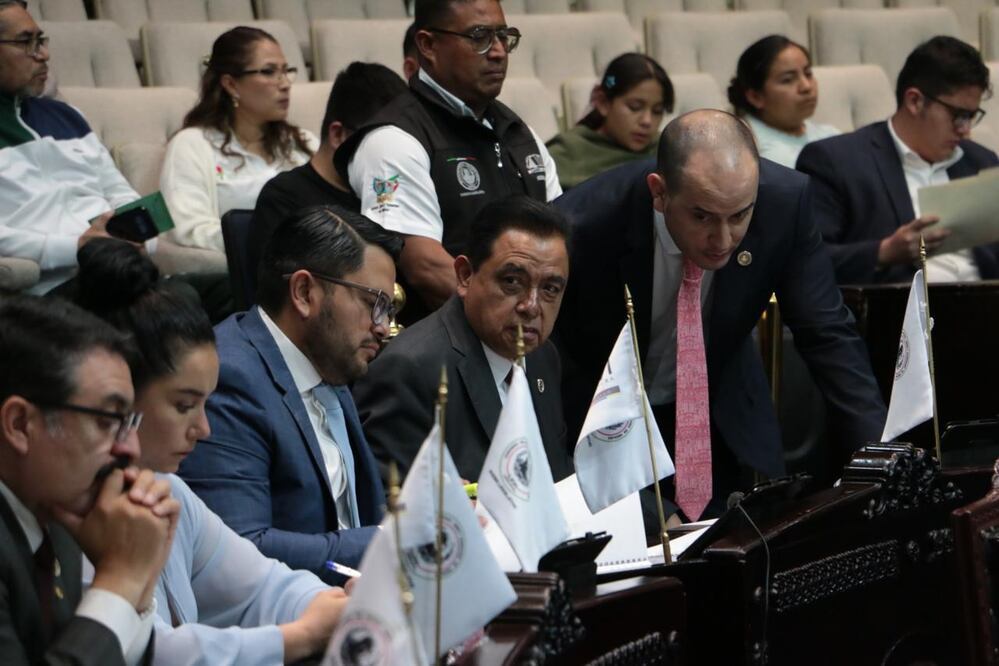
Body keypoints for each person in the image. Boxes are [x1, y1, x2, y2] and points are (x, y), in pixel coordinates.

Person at [554, 110, 886, 525]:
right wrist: (642, 508)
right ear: (659, 193)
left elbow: (828, 333)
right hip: (606, 423)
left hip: (721, 414)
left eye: (740, 215)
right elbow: (555, 368)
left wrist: (880, 456)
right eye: (702, 217)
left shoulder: (786, 201)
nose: (723, 240)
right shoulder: (582, 226)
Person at [73, 239, 348, 665]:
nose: (204, 428)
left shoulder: (170, 489)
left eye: (205, 403)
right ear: (119, 399)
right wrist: (302, 634)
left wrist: (328, 604)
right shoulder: (71, 514)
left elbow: (263, 585)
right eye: (184, 406)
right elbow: (149, 651)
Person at [179, 205, 402, 579]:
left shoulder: (329, 359)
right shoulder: (230, 376)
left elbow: (351, 511)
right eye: (373, 304)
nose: (384, 327)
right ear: (303, 292)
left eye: (389, 309)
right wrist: (390, 541)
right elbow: (240, 550)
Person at [336, 0, 562, 317]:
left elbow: (560, 244)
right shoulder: (393, 139)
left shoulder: (521, 135)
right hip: (441, 350)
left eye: (503, 36)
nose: (498, 52)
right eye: (480, 36)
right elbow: (425, 268)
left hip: (529, 335)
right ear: (428, 45)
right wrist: (518, 322)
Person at [0, 294, 178, 665]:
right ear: (20, 424)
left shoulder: (60, 521)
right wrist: (121, 580)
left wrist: (139, 588)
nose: (130, 448)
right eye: (107, 420)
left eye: (130, 421)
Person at [352, 195, 573, 483]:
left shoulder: (543, 357)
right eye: (512, 281)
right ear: (465, 275)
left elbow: (555, 475)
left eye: (550, 289)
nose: (531, 306)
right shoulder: (409, 370)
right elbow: (394, 508)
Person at [796, 35, 999, 285]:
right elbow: (805, 262)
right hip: (894, 315)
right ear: (914, 101)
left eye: (972, 116)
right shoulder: (835, 161)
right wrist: (884, 252)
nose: (965, 129)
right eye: (959, 115)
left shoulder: (980, 161)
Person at [0, 0, 142, 294]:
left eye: (41, 40)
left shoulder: (67, 116)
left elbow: (119, 192)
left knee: (224, 289)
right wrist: (76, 247)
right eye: (26, 43)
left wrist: (133, 232)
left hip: (119, 270)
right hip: (48, 287)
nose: (44, 54)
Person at [248, 62, 408, 287]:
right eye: (379, 141)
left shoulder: (392, 193)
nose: (391, 154)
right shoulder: (284, 198)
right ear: (339, 135)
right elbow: (281, 297)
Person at [161, 26, 317, 253]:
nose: (284, 84)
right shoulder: (193, 145)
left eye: (286, 71)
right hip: (236, 277)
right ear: (231, 84)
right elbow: (188, 230)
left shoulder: (301, 142)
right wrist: (271, 241)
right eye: (269, 71)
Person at [546, 53, 674, 189]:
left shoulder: (666, 149)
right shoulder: (566, 153)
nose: (647, 121)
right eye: (635, 107)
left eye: (657, 111)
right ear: (603, 102)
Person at [729, 35, 839, 169]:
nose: (806, 86)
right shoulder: (749, 155)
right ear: (755, 97)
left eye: (808, 73)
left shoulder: (830, 134)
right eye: (788, 80)